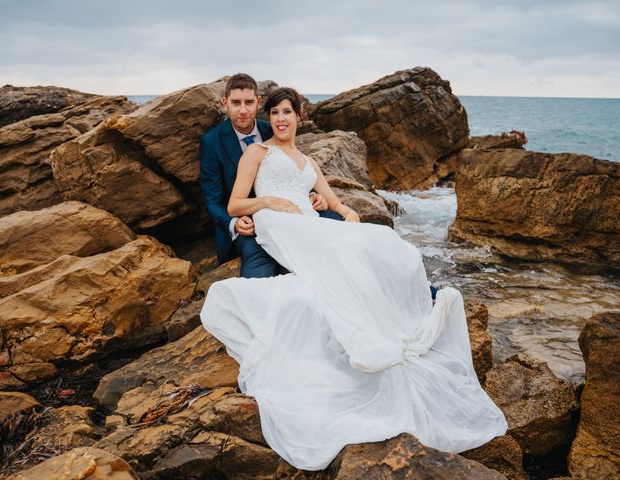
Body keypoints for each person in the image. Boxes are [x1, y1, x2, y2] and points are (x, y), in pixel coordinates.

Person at [200, 87, 507, 471]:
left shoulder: (308, 160)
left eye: (287, 113)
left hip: (308, 222)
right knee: (337, 262)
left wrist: (349, 215)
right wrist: (266, 202)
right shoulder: (258, 152)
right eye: (275, 112)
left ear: (299, 117)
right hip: (275, 223)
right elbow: (233, 204)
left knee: (381, 242)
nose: (280, 119)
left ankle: (412, 302)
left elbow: (334, 201)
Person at [200, 73, 343, 278]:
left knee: (338, 230)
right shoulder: (212, 141)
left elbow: (291, 168)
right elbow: (212, 200)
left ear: (258, 103)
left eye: (249, 102)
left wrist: (311, 193)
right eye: (236, 103)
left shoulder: (274, 128)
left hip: (291, 209)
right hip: (246, 221)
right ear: (225, 103)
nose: (243, 110)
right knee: (261, 264)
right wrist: (233, 223)